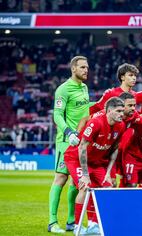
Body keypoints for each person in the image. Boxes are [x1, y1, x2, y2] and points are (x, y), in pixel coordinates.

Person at [64, 97, 126, 234]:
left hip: (97, 162)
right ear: (109, 111)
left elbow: (115, 149)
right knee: (85, 187)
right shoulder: (96, 123)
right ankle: (77, 227)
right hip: (76, 158)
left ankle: (94, 224)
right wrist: (85, 175)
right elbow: (82, 148)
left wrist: (109, 173)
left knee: (107, 189)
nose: (122, 114)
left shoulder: (121, 126)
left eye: (123, 110)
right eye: (119, 111)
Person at [48, 56, 90, 233]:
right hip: (66, 142)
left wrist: (104, 103)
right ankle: (52, 222)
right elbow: (57, 114)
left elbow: (85, 110)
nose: (86, 70)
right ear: (73, 69)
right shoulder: (63, 89)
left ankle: (72, 221)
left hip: (81, 142)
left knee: (77, 180)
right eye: (82, 67)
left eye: (87, 67)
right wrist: (68, 132)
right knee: (61, 178)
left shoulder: (85, 87)